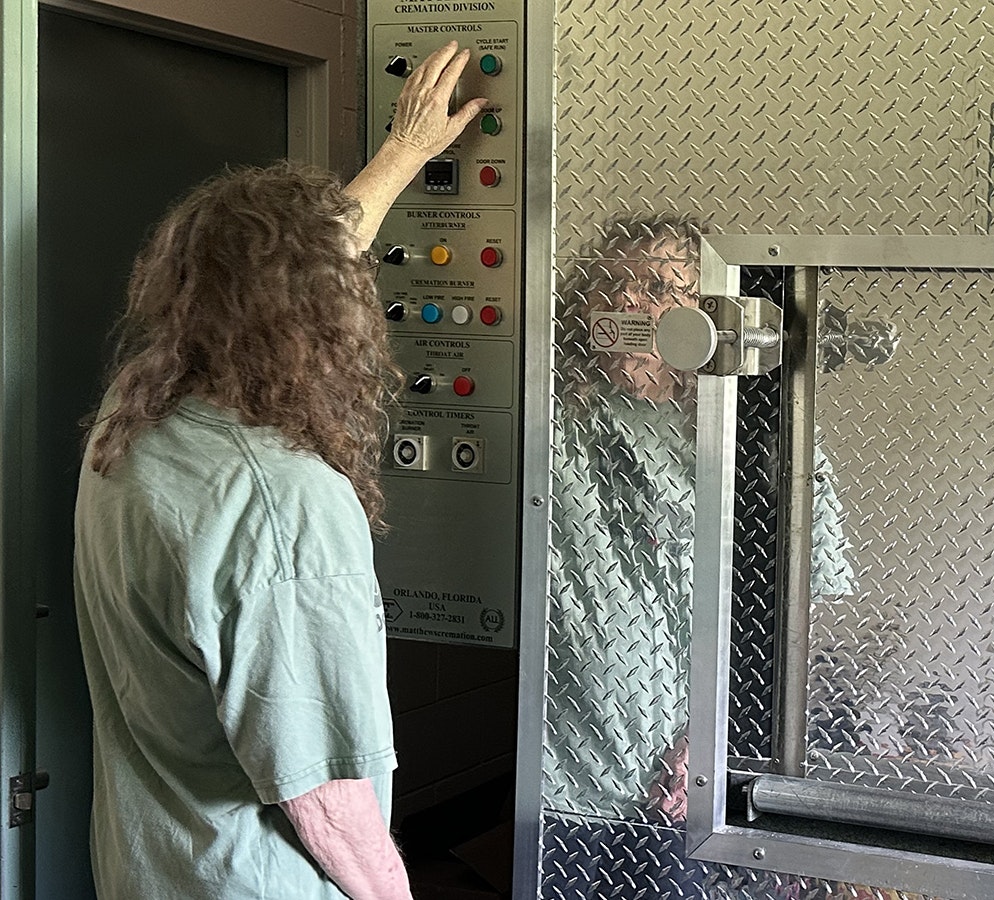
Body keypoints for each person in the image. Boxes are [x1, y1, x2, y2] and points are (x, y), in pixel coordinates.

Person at [72, 42, 487, 900]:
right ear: (323, 318)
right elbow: (325, 798)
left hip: (151, 873)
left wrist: (404, 152)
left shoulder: (134, 416)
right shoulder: (285, 503)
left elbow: (282, 269)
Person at [541, 218, 868, 897]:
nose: (629, 302)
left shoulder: (760, 440)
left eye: (660, 288)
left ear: (711, 319)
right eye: (614, 285)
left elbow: (802, 620)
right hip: (559, 779)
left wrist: (715, 739)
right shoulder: (551, 421)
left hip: (684, 780)